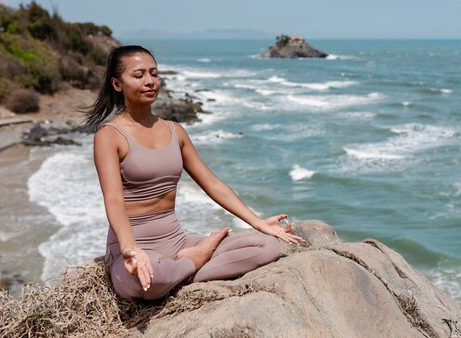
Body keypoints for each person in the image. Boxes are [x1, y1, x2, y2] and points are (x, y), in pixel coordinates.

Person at [83, 45, 303, 300]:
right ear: (117, 84)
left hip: (177, 242)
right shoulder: (109, 136)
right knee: (148, 281)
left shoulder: (175, 131)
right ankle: (196, 260)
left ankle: (184, 265)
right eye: (139, 75)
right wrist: (130, 248)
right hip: (134, 248)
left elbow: (211, 183)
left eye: (154, 74)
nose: (150, 81)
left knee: (267, 247)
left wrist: (257, 222)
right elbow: (113, 199)